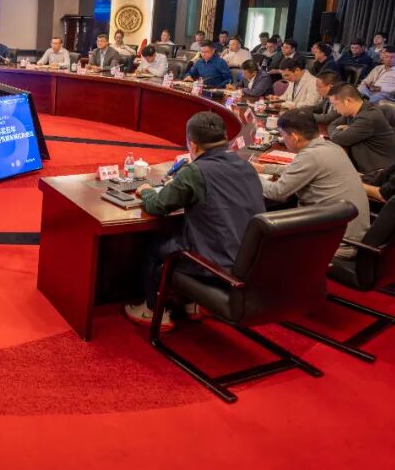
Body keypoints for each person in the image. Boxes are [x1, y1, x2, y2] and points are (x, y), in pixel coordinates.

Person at [123, 112, 265, 331]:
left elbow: (158, 206)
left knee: (157, 246)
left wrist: (147, 191)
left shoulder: (196, 171)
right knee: (191, 231)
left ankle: (152, 310)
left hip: (215, 264)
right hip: (249, 261)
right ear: (225, 138)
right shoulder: (246, 166)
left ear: (193, 145)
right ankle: (192, 305)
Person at [254, 108, 370, 253]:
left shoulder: (310, 156)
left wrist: (250, 174)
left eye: (283, 135)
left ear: (294, 137)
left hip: (336, 243)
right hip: (347, 234)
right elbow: (298, 170)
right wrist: (263, 168)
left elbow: (276, 192)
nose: (283, 140)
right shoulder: (331, 146)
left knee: (259, 241)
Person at [327, 84, 395, 174]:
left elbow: (338, 138)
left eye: (334, 104)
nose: (334, 109)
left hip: (379, 171)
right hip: (364, 160)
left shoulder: (368, 117)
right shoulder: (355, 110)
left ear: (347, 101)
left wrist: (344, 131)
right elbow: (332, 125)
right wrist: (346, 131)